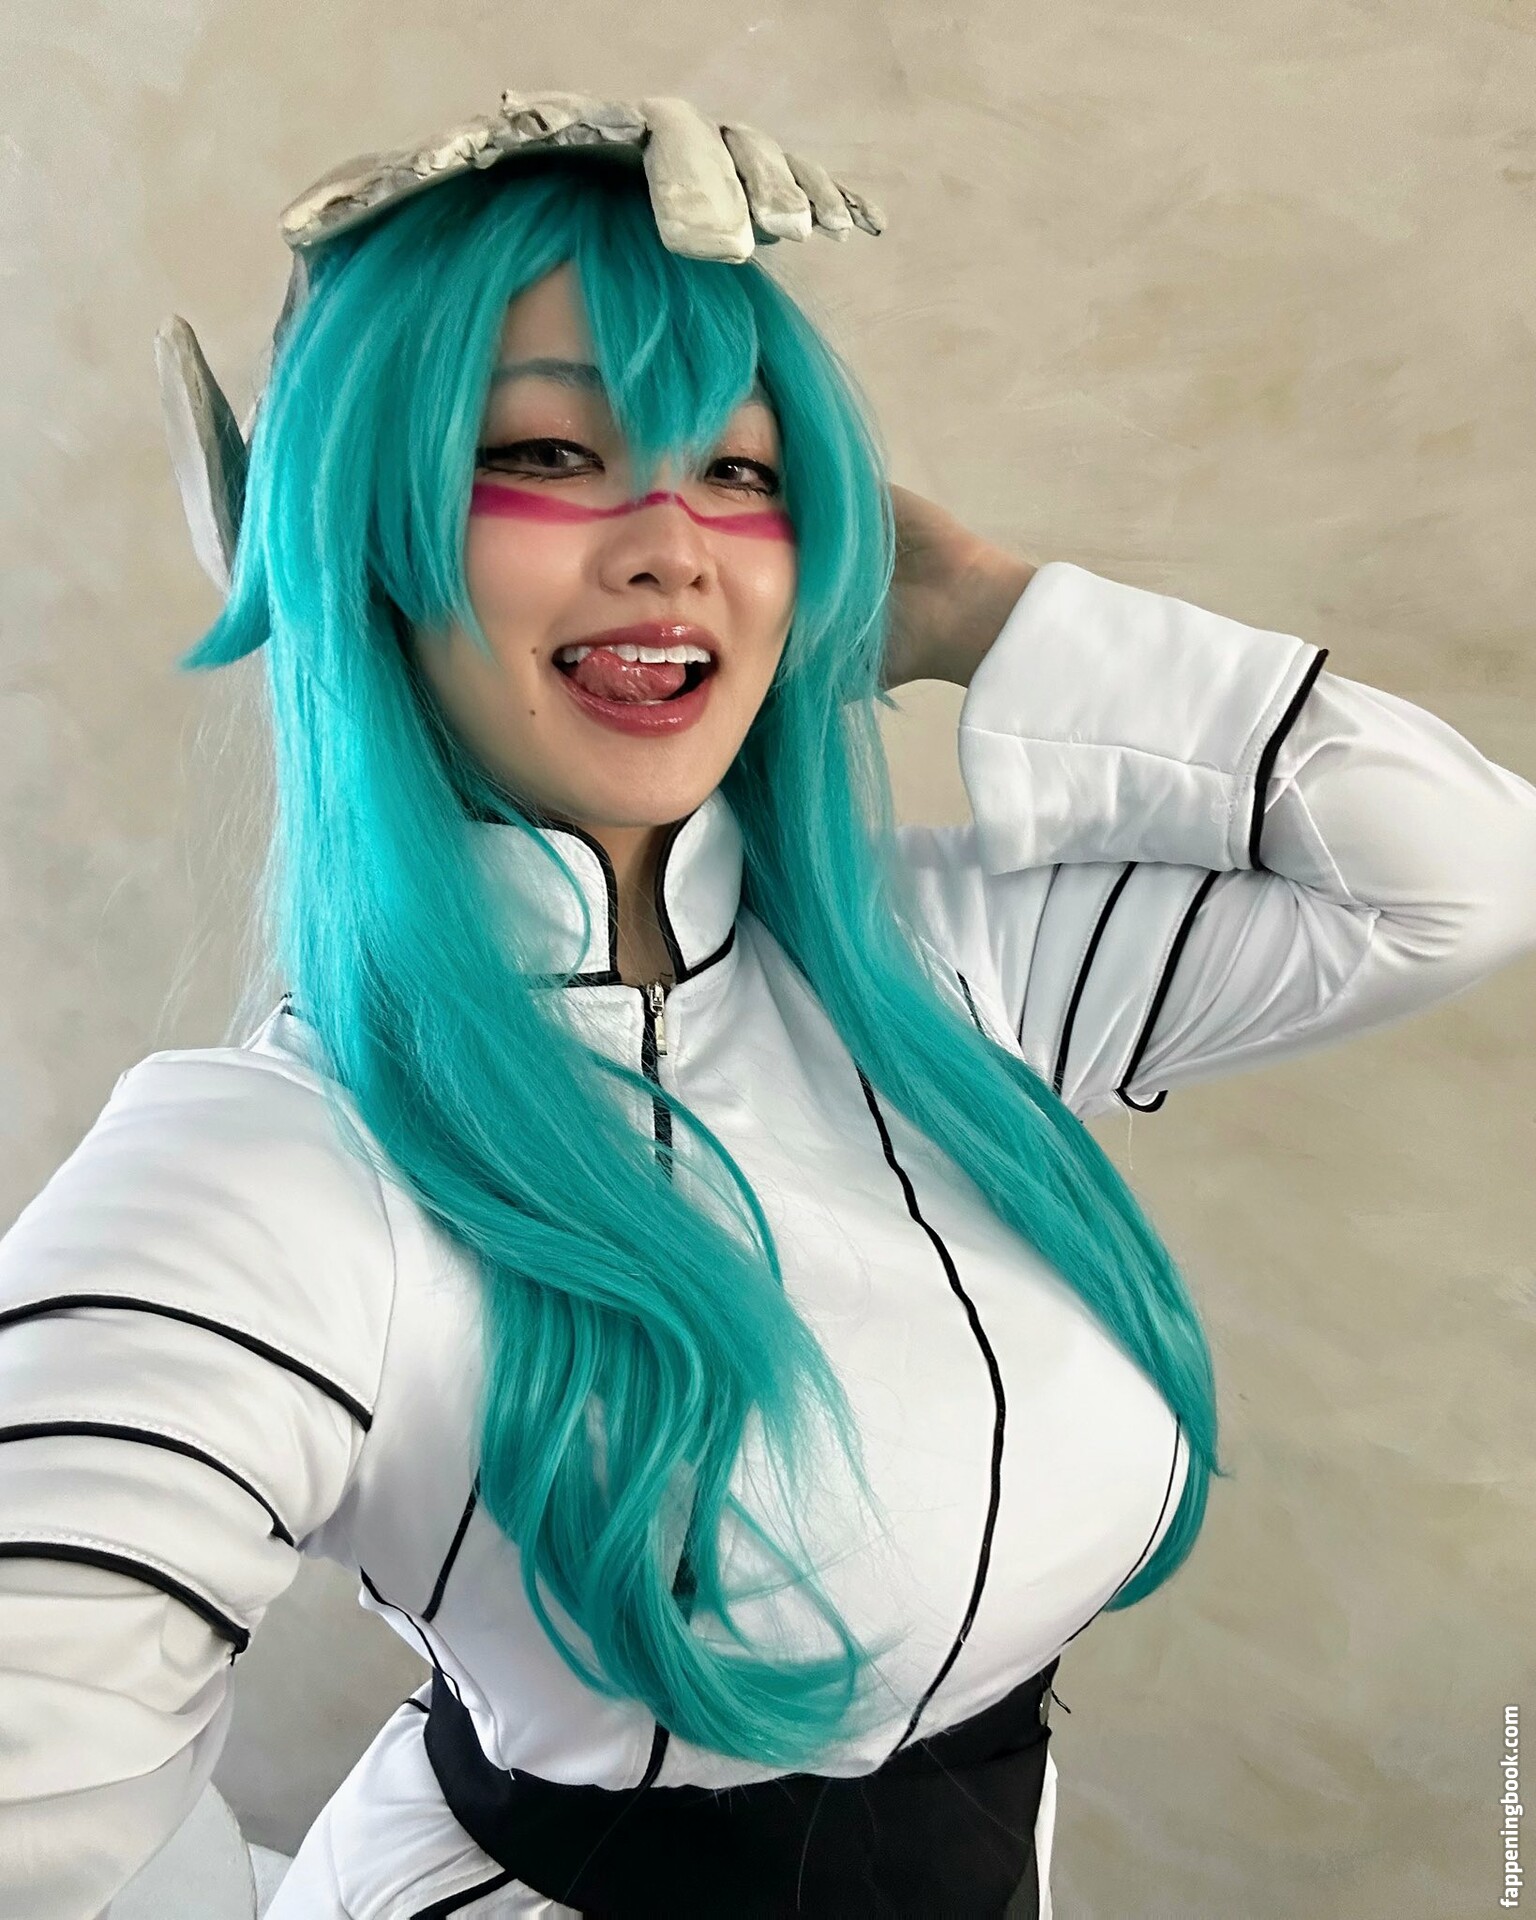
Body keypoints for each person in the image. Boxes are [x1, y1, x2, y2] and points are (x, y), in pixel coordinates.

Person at [2, 94, 1534, 1920]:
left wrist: (973, 606)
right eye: (548, 453)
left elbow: (1459, 870)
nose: (675, 546)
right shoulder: (270, 1166)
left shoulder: (941, 967)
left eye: (742, 471)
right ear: (363, 542)